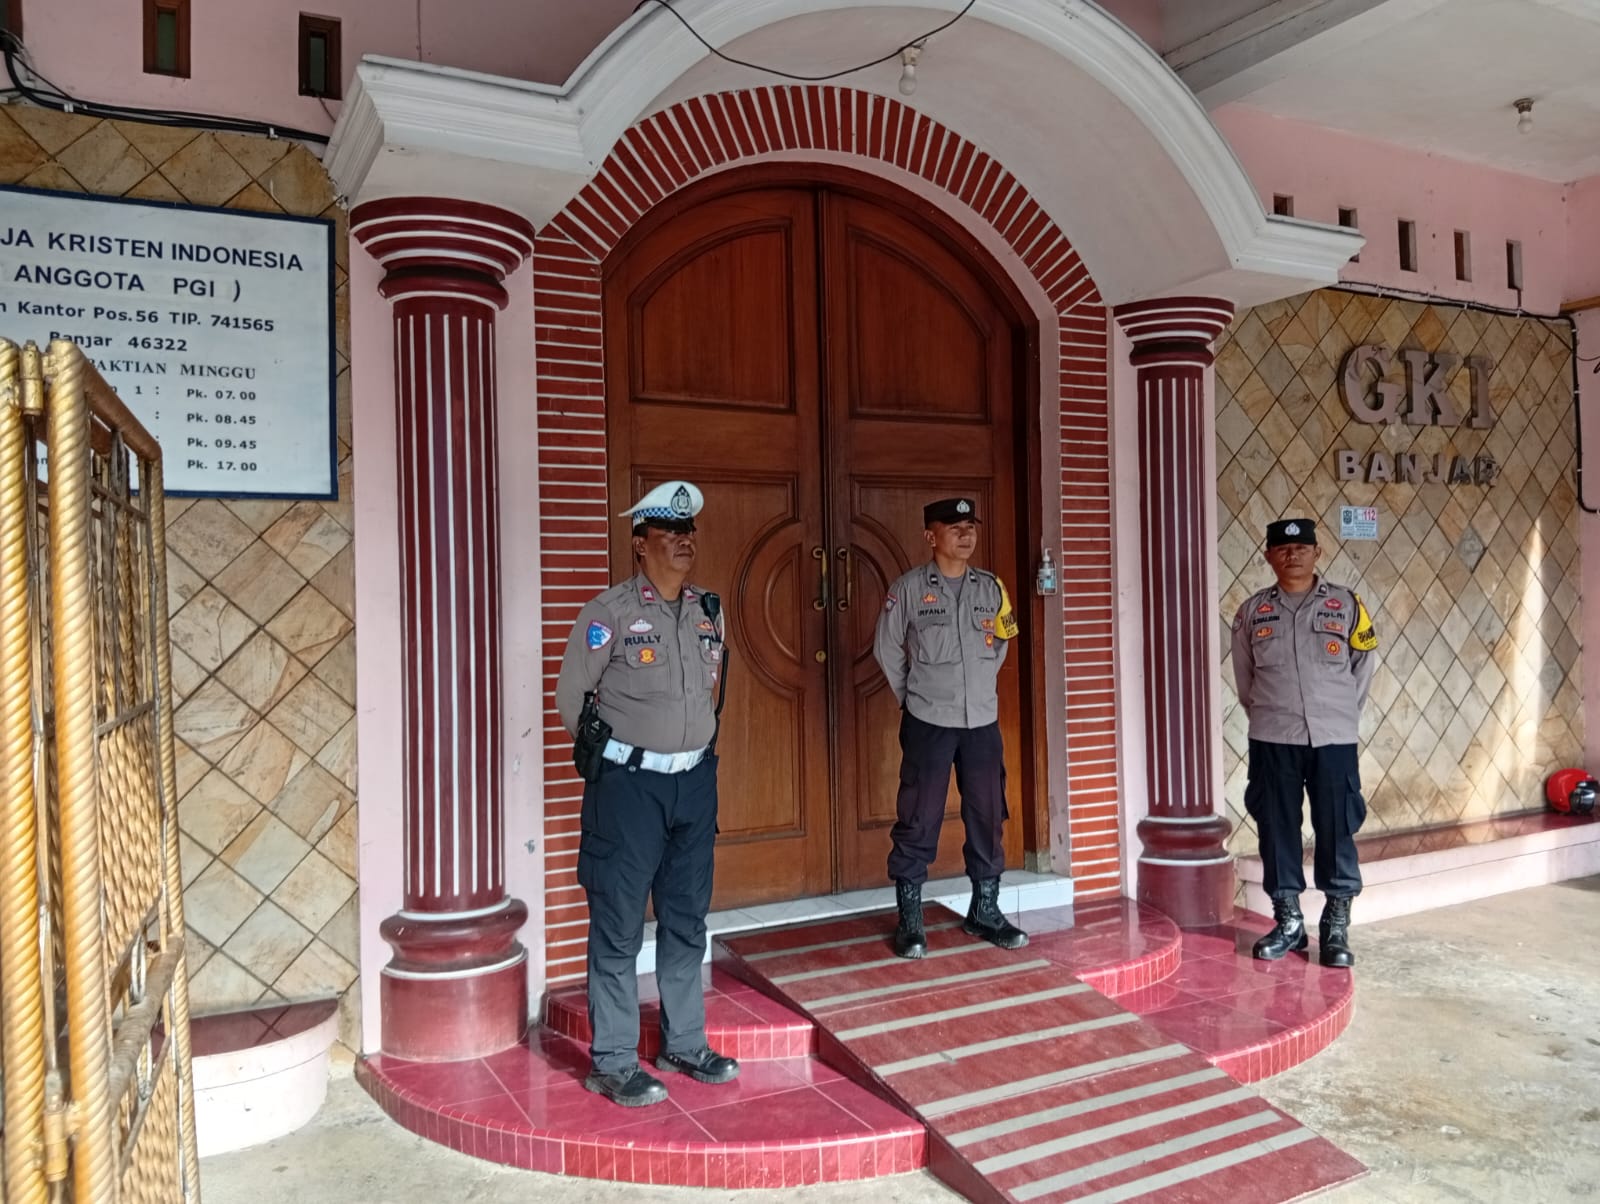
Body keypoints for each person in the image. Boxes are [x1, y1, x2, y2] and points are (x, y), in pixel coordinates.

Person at [554, 480, 738, 1107]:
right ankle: (612, 1060)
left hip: (695, 783)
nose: (684, 540)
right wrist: (619, 759)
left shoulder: (708, 610)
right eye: (669, 531)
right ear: (640, 543)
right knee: (619, 921)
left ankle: (684, 1042)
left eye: (689, 531)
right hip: (629, 789)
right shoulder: (607, 614)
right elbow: (571, 699)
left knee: (686, 918)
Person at [873, 496, 1027, 960]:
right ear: (930, 536)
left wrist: (974, 688)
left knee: (987, 813)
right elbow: (887, 649)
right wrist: (913, 697)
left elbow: (1001, 644)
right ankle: (911, 918)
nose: (966, 534)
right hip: (929, 721)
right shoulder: (908, 589)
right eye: (954, 527)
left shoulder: (991, 588)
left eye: (970, 527)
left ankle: (985, 910)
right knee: (919, 816)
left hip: (981, 721)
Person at [1230, 517, 1379, 969]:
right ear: (1268, 556)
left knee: (1337, 826)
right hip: (1273, 736)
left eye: (1301, 547)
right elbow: (1245, 679)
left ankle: (1335, 926)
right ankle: (1289, 921)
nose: (1292, 554)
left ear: (1317, 552)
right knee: (1277, 826)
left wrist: (1339, 713)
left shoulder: (1347, 604)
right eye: (1282, 548)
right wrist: (1272, 712)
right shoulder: (1252, 612)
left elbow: (1363, 666)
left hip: (1333, 737)